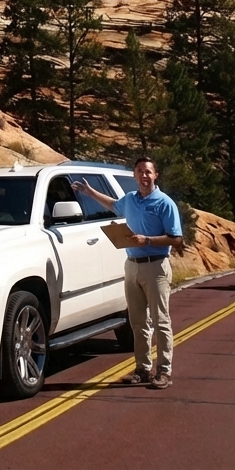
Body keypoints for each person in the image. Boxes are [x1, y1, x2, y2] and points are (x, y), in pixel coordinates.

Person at [72, 157, 183, 389]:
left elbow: (177, 238)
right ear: (134, 175)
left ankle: (164, 371)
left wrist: (148, 240)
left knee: (161, 321)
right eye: (140, 172)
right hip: (132, 264)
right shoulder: (130, 200)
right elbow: (113, 204)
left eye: (148, 172)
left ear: (156, 175)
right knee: (138, 322)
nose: (144, 176)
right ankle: (142, 369)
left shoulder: (164, 203)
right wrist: (90, 192)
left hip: (156, 266)